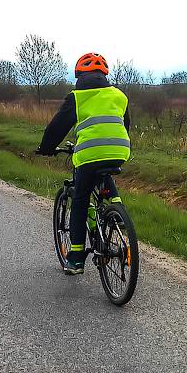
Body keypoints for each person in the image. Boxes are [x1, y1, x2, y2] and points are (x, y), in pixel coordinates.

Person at [36, 53, 132, 274]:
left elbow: (57, 127)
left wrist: (46, 148)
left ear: (80, 75)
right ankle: (117, 210)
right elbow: (124, 124)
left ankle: (76, 259)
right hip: (119, 149)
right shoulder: (119, 95)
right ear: (104, 75)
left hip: (89, 154)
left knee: (79, 200)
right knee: (103, 170)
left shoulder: (77, 97)